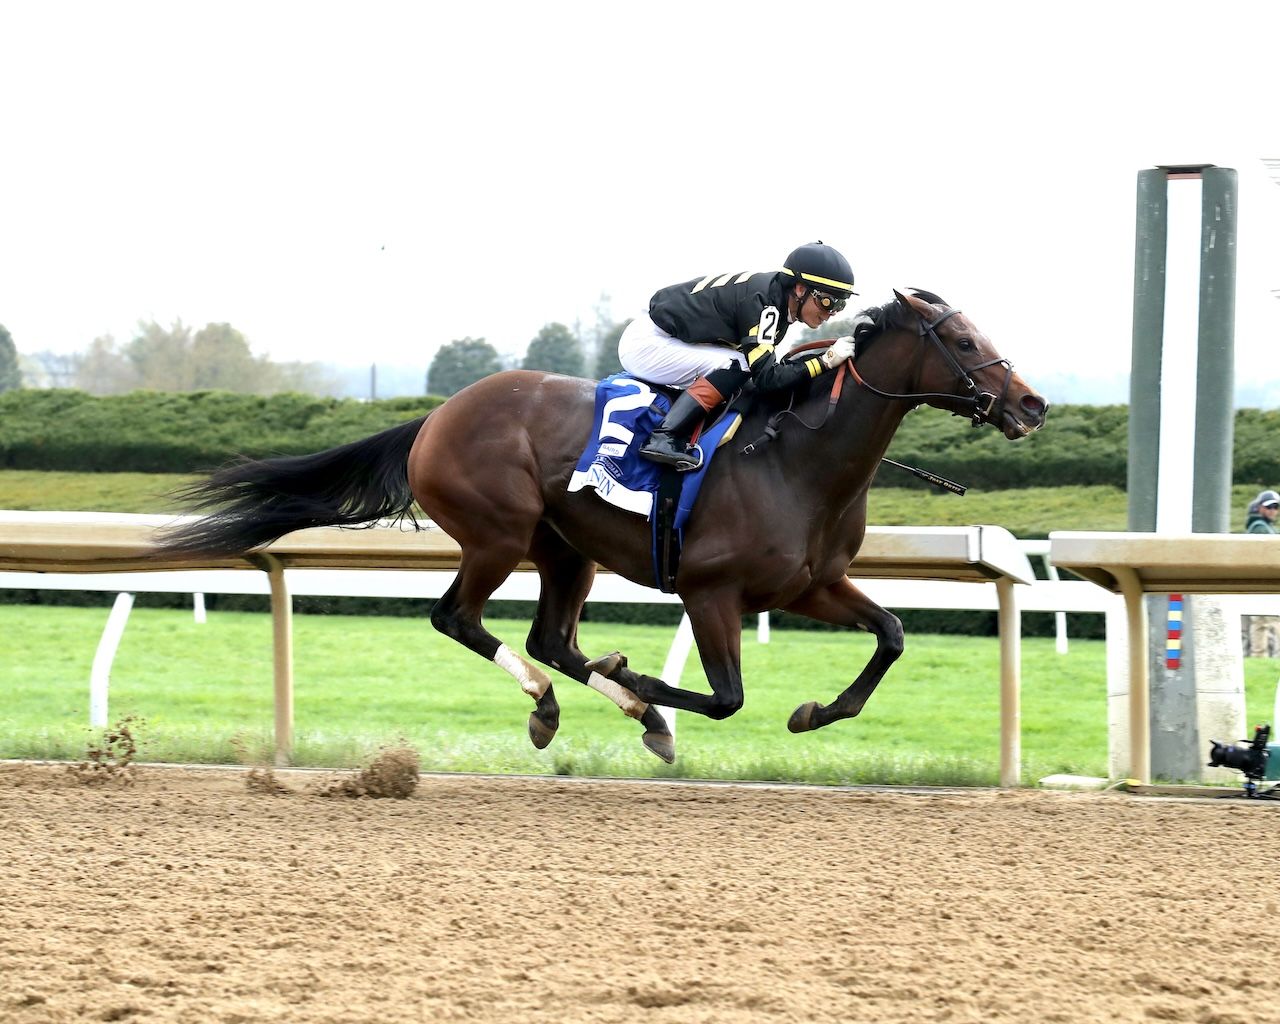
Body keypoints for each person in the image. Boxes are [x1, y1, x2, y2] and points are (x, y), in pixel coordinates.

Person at [618, 241, 860, 471]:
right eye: (828, 302)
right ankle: (663, 437)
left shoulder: (774, 301)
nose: (831, 314)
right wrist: (824, 361)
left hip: (670, 339)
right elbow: (767, 378)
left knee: (743, 369)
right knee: (737, 366)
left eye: (840, 306)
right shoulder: (763, 304)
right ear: (800, 289)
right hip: (648, 344)